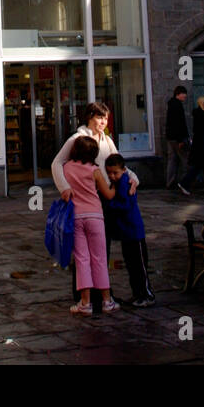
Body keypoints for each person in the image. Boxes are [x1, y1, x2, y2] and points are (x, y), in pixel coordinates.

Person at [51, 101, 137, 311]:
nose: (103, 122)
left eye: (105, 118)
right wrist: (64, 188)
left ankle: (100, 297)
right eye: (99, 118)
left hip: (103, 201)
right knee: (83, 254)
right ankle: (84, 297)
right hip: (85, 200)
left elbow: (119, 164)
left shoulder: (106, 140)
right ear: (89, 117)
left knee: (100, 251)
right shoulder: (77, 140)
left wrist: (134, 178)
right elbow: (57, 163)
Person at [64, 134, 118, 315]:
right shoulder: (94, 170)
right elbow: (108, 195)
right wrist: (119, 182)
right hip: (95, 216)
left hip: (76, 217)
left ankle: (85, 302)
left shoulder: (67, 168)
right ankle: (106, 300)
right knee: (100, 258)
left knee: (81, 259)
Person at [103, 154, 154, 307]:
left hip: (133, 231)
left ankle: (146, 294)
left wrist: (107, 204)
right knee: (131, 265)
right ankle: (137, 294)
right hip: (126, 233)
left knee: (139, 265)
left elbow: (124, 205)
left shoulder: (124, 183)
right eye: (109, 173)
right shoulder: (117, 183)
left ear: (123, 170)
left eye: (115, 173)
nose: (112, 176)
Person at [164, 86, 190, 189]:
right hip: (177, 138)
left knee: (172, 160)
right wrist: (181, 139)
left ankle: (169, 182)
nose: (185, 96)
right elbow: (178, 123)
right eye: (184, 93)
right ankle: (183, 183)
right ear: (178, 94)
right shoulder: (177, 105)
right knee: (185, 160)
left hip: (170, 137)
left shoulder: (171, 104)